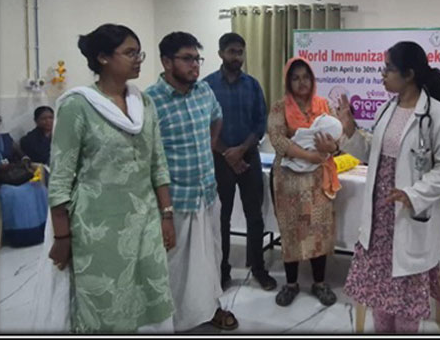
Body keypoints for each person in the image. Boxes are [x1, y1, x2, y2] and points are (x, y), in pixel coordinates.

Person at [46, 24, 175, 333]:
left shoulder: (143, 103)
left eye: (139, 53)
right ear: (103, 57)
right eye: (130, 53)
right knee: (105, 306)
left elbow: (158, 163)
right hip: (97, 227)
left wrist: (167, 215)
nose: (138, 59)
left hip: (144, 220)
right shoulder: (78, 105)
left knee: (150, 298)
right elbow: (60, 177)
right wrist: (62, 237)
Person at [337, 41, 440, 333]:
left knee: (407, 306)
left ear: (409, 74)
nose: (382, 74)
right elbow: (372, 152)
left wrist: (413, 194)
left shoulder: (436, 114)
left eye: (389, 68)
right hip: (379, 222)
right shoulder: (387, 109)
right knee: (381, 299)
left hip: (408, 217)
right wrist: (350, 130)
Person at [145, 32, 239, 331]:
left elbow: (216, 117)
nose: (195, 65)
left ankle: (210, 308)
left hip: (207, 193)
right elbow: (147, 157)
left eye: (197, 59)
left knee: (210, 259)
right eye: (187, 59)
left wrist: (209, 144)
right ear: (166, 61)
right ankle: (173, 320)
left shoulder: (203, 91)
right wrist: (164, 211)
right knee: (176, 267)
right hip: (175, 199)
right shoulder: (150, 101)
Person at [204, 33, 276, 291]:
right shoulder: (206, 87)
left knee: (254, 215)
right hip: (218, 159)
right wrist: (228, 153)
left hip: (249, 158)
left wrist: (241, 150)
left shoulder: (252, 85)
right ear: (221, 53)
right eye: (232, 52)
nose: (237, 57)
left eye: (240, 52)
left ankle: (258, 268)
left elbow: (260, 123)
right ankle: (222, 270)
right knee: (221, 218)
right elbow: (205, 125)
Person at [267, 57, 340, 307]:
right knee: (291, 231)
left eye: (306, 77)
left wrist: (332, 147)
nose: (302, 82)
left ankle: (319, 283)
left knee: (318, 230)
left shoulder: (324, 106)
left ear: (312, 80)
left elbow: (337, 140)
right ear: (288, 81)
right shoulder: (279, 108)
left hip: (318, 180)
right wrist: (309, 155)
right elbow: (278, 140)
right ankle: (291, 284)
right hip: (289, 181)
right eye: (296, 78)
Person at [0, 111, 48, 247]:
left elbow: (21, 154)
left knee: (37, 188)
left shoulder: (5, 139)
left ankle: (41, 231)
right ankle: (19, 236)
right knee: (16, 194)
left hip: (14, 176)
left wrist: (24, 161)